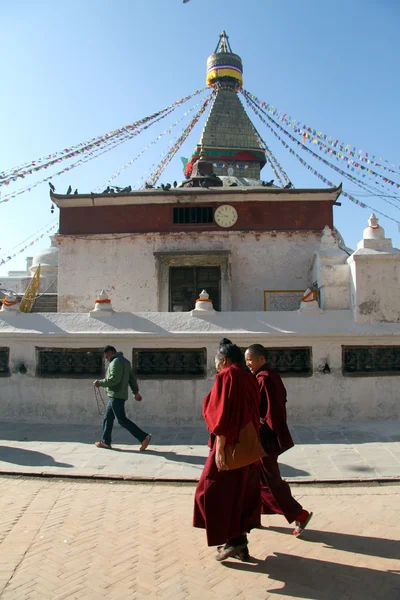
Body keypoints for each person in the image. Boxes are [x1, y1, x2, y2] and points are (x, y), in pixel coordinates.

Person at [193, 338, 262, 561]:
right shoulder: (248, 376)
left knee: (208, 491)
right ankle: (239, 543)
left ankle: (236, 540)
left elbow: (222, 413)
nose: (215, 365)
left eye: (216, 360)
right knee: (238, 492)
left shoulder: (228, 375)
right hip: (247, 447)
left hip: (229, 444)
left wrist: (221, 445)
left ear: (223, 359)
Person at [245, 344, 312, 537]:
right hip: (263, 437)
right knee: (255, 479)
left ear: (261, 359)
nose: (248, 363)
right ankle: (253, 516)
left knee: (270, 480)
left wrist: (262, 431)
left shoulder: (264, 380)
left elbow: (271, 413)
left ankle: (300, 514)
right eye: (246, 359)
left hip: (265, 439)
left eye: (250, 359)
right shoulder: (266, 377)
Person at [94, 345, 151, 451]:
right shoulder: (125, 361)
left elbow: (114, 379)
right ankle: (105, 441)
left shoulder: (116, 362)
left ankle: (143, 437)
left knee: (122, 420)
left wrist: (100, 383)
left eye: (106, 355)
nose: (106, 358)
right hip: (116, 396)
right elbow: (132, 379)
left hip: (117, 395)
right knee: (108, 417)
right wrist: (136, 392)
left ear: (110, 352)